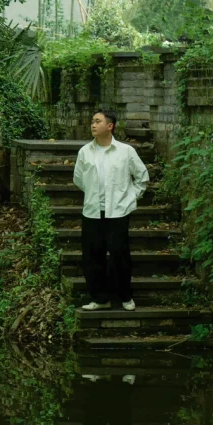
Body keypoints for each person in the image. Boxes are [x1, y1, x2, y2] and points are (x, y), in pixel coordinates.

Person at [72, 108, 149, 311]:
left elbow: (142, 177)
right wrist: (92, 196)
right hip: (92, 212)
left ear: (110, 126)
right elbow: (78, 179)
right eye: (92, 121)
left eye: (97, 121)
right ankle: (100, 299)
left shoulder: (126, 152)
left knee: (119, 255)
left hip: (118, 212)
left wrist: (130, 198)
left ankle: (125, 296)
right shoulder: (85, 152)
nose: (93, 124)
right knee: (92, 257)